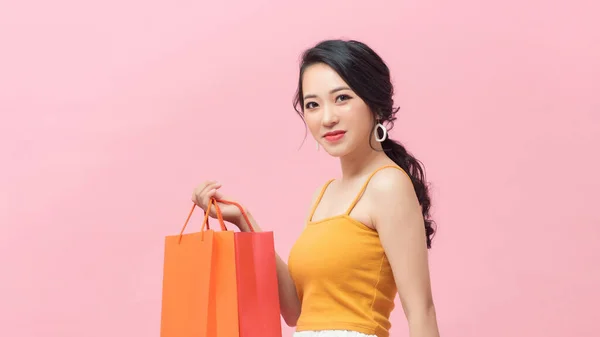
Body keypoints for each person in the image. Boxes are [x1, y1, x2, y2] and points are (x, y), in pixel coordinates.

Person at [192, 39, 440, 337]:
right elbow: (297, 311)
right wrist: (243, 220)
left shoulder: (388, 185)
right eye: (313, 104)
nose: (327, 118)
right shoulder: (324, 194)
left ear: (374, 104)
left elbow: (420, 310)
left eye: (342, 98)